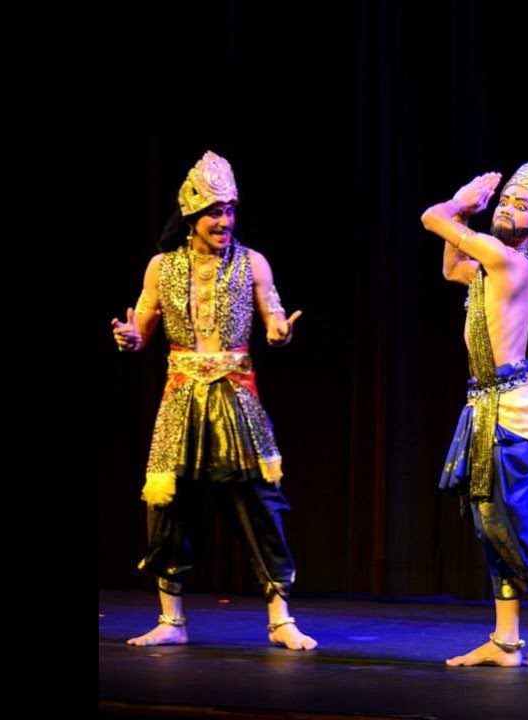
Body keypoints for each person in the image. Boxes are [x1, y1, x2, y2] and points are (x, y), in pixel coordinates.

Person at [113, 150, 315, 650]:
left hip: (236, 395)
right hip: (181, 397)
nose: (224, 222)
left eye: (228, 211)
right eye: (213, 213)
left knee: (260, 502)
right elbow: (141, 327)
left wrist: (280, 332)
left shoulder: (252, 263)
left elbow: (273, 317)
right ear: (191, 216)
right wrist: (130, 338)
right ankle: (172, 620)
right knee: (169, 504)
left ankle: (280, 619)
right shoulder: (162, 267)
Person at [421, 162, 528, 667]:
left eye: (521, 206)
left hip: (514, 409)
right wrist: (464, 213)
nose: (507, 208)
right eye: (504, 200)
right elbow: (450, 268)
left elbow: (431, 218)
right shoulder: (488, 266)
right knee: (487, 523)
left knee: (512, 527)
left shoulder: (509, 262)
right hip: (483, 403)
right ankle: (506, 640)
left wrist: (461, 202)